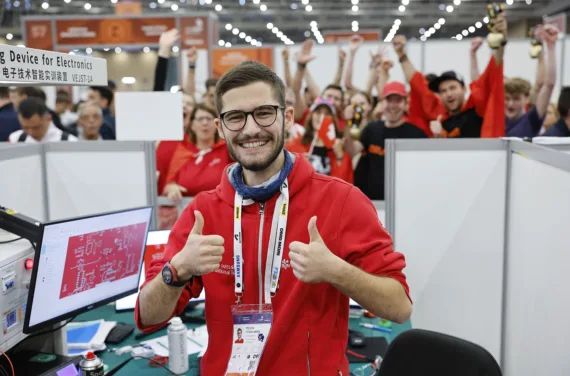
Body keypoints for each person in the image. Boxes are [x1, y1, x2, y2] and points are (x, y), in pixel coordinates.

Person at [136, 61, 412, 376]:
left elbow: (399, 307)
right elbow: (149, 316)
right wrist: (178, 269)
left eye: (264, 113)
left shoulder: (342, 201)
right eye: (235, 117)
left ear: (288, 118)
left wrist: (337, 271)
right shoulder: (203, 211)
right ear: (221, 127)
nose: (251, 129)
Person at [393, 12, 507, 138]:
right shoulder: (439, 119)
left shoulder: (476, 110)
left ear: (464, 89)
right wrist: (401, 55)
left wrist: (500, 37)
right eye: (443, 91)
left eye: (452, 88)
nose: (448, 94)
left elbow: (492, 72)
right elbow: (417, 83)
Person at [347, 82, 427, 200]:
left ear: (406, 104)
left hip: (403, 201)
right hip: (370, 202)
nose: (393, 106)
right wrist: (349, 124)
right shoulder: (372, 128)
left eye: (398, 101)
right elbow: (351, 151)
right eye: (389, 100)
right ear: (382, 103)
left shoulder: (416, 135)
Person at [158, 104, 232, 229]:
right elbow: (168, 183)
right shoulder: (181, 151)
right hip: (187, 218)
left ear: (217, 124)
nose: (204, 123)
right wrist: (171, 187)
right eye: (200, 119)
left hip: (221, 216)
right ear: (192, 125)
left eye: (209, 119)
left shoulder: (227, 149)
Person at [502, 24, 558, 137]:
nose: (510, 104)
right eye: (507, 98)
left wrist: (550, 46)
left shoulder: (531, 120)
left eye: (516, 99)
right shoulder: (496, 120)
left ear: (527, 98)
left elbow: (548, 85)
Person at [285, 98, 353, 183]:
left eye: (327, 114)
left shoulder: (338, 149)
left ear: (333, 120)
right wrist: (299, 167)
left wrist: (340, 157)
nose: (322, 117)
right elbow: (285, 181)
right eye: (318, 112)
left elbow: (344, 187)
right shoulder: (294, 146)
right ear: (311, 116)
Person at [9, 98, 77, 143]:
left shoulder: (70, 142)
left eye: (36, 127)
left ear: (49, 118)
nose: (31, 132)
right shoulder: (15, 139)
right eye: (25, 127)